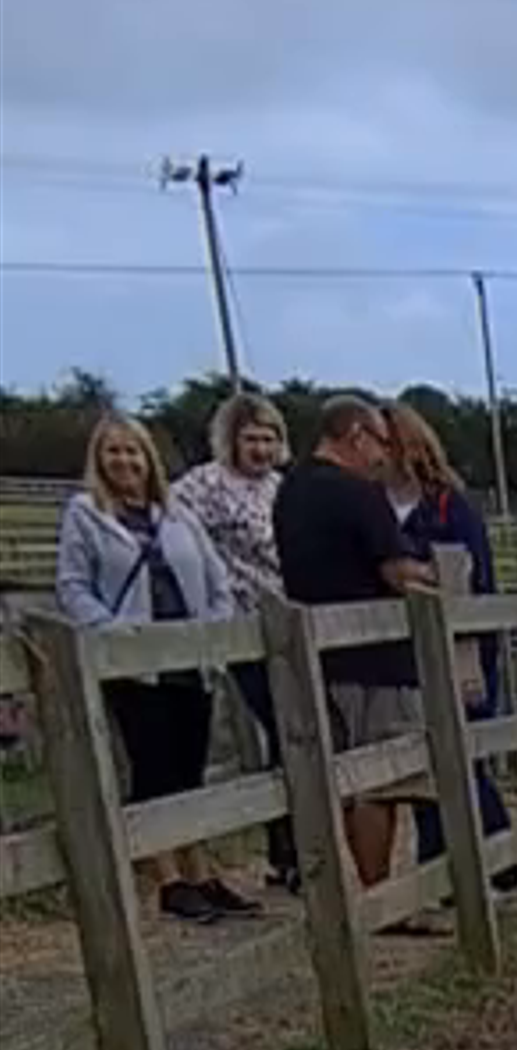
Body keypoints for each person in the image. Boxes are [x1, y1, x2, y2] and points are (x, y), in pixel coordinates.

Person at [56, 411, 243, 923]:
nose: (124, 460)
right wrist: (114, 634)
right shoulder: (86, 514)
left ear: (148, 458)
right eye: (113, 451)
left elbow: (216, 578)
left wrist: (212, 630)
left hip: (189, 658)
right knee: (153, 767)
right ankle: (167, 878)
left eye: (132, 450)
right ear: (99, 459)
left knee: (190, 768)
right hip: (136, 666)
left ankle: (200, 871)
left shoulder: (177, 514)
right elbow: (73, 586)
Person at [272, 389, 435, 906]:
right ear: (356, 435)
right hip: (374, 659)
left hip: (316, 657)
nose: (383, 455)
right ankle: (381, 898)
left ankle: (355, 890)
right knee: (379, 782)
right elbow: (398, 572)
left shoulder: (291, 490)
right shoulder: (359, 494)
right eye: (380, 443)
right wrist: (439, 574)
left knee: (340, 777)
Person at [164, 386, 293, 886]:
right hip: (240, 623)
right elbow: (170, 527)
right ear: (231, 440)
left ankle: (290, 847)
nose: (261, 449)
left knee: (294, 730)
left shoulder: (280, 488)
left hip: (287, 623)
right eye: (251, 439)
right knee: (281, 723)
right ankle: (286, 848)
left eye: (269, 439)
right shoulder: (205, 485)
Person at [387, 404, 516, 880]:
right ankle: (440, 867)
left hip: (461, 652)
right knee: (424, 766)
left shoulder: (448, 506)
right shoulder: (372, 510)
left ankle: (497, 861)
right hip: (403, 656)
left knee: (464, 759)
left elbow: (478, 579)